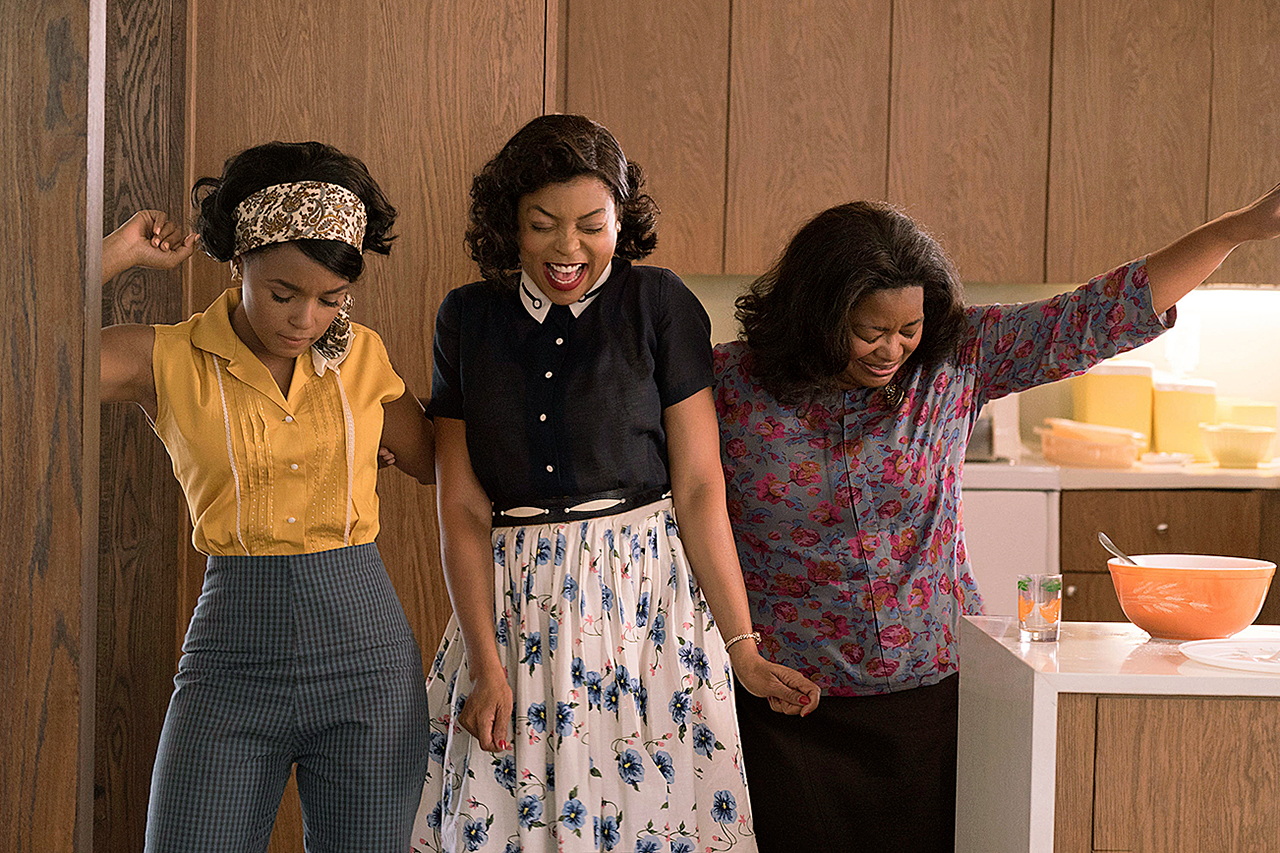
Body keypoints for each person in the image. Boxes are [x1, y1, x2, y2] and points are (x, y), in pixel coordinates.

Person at [711, 183, 1280, 851]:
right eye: (869, 330)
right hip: (788, 701)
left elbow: (1096, 313)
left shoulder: (956, 359)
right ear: (815, 313)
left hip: (939, 693)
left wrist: (1235, 229)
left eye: (908, 328)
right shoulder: (728, 385)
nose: (892, 348)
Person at [411, 114, 820, 853]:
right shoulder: (465, 317)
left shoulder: (659, 304)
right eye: (543, 225)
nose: (568, 248)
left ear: (621, 219)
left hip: (646, 612)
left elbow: (698, 487)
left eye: (591, 224)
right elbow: (463, 505)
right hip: (516, 614)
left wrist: (743, 647)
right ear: (511, 225)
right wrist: (485, 660)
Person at [100, 140, 435, 853]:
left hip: (368, 665)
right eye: (284, 293)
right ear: (237, 263)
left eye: (331, 298)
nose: (306, 317)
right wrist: (113, 252)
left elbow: (438, 461)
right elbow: (26, 349)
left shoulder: (364, 356)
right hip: (230, 659)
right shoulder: (163, 358)